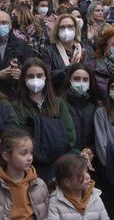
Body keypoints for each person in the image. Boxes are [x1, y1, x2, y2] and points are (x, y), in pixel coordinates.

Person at [8, 57, 77, 185]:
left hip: (58, 170)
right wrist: (52, 135)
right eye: (30, 76)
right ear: (23, 79)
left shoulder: (58, 104)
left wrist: (37, 131)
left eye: (39, 75)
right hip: (29, 171)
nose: (35, 79)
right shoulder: (16, 107)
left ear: (46, 77)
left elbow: (70, 137)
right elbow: (18, 140)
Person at [41, 13, 89, 89]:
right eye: (62, 27)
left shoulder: (86, 49)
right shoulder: (48, 51)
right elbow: (47, 76)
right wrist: (70, 67)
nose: (66, 30)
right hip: (59, 93)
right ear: (57, 30)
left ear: (76, 29)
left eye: (70, 26)